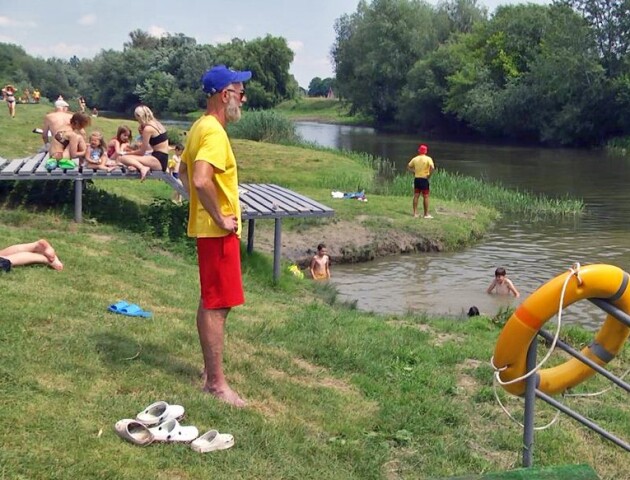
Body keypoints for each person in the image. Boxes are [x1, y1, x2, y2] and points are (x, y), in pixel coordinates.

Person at [179, 64, 251, 408]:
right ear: (225, 96)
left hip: (207, 230)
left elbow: (182, 170)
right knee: (217, 305)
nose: (243, 98)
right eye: (240, 92)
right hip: (217, 233)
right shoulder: (214, 132)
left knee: (210, 300)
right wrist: (220, 217)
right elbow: (199, 179)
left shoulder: (199, 127)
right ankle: (216, 385)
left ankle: (210, 376)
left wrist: (199, 208)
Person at [118, 105, 169, 181]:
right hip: (163, 158)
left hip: (158, 160)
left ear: (140, 116)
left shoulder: (148, 129)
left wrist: (125, 153)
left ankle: (142, 168)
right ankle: (139, 166)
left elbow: (141, 152)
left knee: (122, 158)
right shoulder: (158, 124)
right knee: (132, 161)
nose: (138, 121)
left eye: (137, 119)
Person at [407, 144, 435, 219]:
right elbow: (432, 168)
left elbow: (408, 166)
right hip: (424, 179)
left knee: (416, 195)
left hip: (417, 178)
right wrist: (429, 175)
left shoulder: (415, 159)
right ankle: (426, 214)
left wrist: (414, 172)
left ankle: (415, 213)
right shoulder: (428, 159)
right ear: (425, 151)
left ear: (419, 151)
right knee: (426, 196)